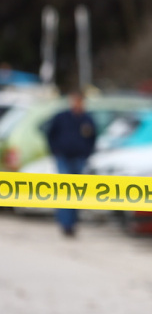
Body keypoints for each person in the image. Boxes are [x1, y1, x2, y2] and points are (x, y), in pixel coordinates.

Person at [45, 90, 97, 237]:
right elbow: (50, 134)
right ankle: (65, 223)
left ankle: (73, 222)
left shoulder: (87, 119)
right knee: (65, 190)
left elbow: (93, 137)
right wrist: (55, 151)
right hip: (63, 158)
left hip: (79, 158)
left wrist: (87, 153)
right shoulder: (61, 117)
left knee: (76, 192)